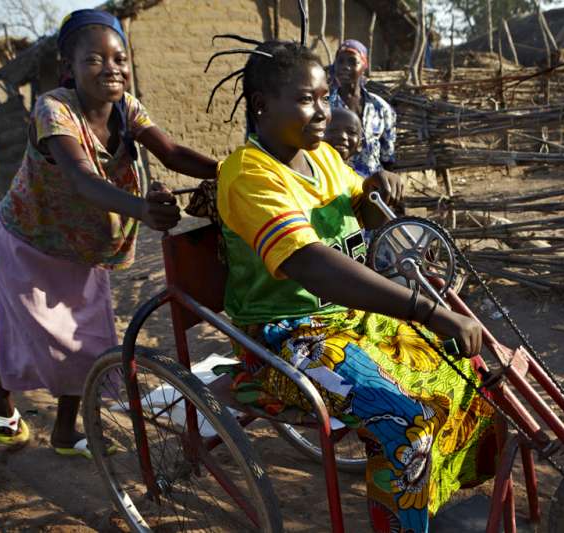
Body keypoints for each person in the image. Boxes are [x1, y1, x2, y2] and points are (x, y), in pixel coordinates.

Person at [216, 39, 496, 532]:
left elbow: (361, 209)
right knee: (405, 421)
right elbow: (309, 262)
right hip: (287, 338)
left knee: (466, 371)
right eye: (308, 99)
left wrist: (373, 189)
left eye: (326, 97)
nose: (324, 111)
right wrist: (426, 311)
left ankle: (432, 506)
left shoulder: (320, 157)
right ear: (262, 104)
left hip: (346, 322)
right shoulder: (247, 175)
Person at [0, 9, 217, 458]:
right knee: (45, 345)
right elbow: (81, 178)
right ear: (68, 69)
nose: (111, 68)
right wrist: (142, 210)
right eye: (95, 60)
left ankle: (65, 432)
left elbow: (171, 153)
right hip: (28, 243)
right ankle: (0, 390)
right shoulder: (53, 111)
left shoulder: (128, 110)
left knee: (89, 343)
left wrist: (235, 171)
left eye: (119, 58)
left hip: (84, 248)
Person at [329, 39, 396, 180]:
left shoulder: (381, 108)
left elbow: (387, 157)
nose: (345, 67)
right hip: (336, 185)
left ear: (364, 65)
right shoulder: (325, 106)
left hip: (372, 188)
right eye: (340, 61)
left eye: (352, 62)